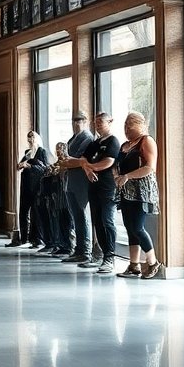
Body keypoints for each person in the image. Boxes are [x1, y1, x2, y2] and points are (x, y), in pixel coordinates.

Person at [65, 112, 121, 271]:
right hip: (93, 186)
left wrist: (90, 168)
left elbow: (108, 162)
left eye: (101, 122)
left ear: (110, 122)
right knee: (97, 221)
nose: (97, 125)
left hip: (107, 187)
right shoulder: (95, 143)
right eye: (95, 122)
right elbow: (83, 159)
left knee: (107, 221)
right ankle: (102, 255)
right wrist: (87, 168)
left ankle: (110, 257)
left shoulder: (113, 141)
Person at [114, 113, 162, 279]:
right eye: (125, 125)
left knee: (138, 227)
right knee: (129, 228)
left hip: (141, 190)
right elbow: (117, 165)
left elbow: (150, 167)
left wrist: (128, 176)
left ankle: (152, 262)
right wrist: (117, 176)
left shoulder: (146, 141)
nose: (127, 129)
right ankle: (134, 265)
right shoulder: (125, 145)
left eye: (130, 125)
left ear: (140, 125)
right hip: (126, 191)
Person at [60, 113, 95, 263]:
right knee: (76, 217)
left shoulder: (87, 138)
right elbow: (65, 158)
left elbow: (79, 160)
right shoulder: (73, 138)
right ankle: (78, 249)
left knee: (81, 216)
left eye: (79, 121)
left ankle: (85, 250)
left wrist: (68, 161)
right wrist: (68, 161)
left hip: (81, 182)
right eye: (74, 121)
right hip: (71, 181)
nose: (76, 124)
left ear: (85, 122)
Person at [8, 131, 49, 248]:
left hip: (36, 186)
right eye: (28, 138)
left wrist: (30, 166)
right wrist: (20, 165)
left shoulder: (41, 152)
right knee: (23, 212)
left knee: (35, 213)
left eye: (32, 138)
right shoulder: (28, 152)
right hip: (26, 185)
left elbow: (44, 168)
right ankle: (24, 238)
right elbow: (20, 164)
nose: (30, 140)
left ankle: (36, 239)